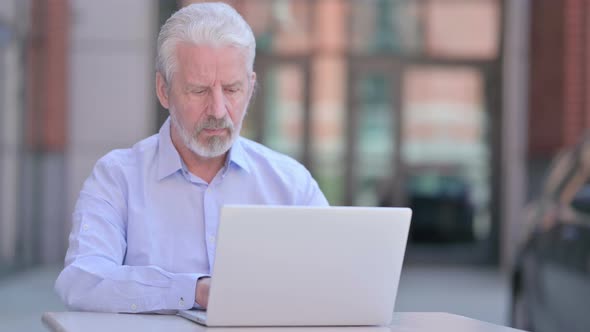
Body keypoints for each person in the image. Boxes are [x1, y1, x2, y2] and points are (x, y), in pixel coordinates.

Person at [55, 2, 328, 313]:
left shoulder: (290, 183)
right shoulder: (118, 178)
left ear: (251, 88)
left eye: (232, 89)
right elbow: (82, 283)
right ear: (163, 90)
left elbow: (334, 280)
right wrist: (194, 291)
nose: (217, 110)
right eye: (199, 91)